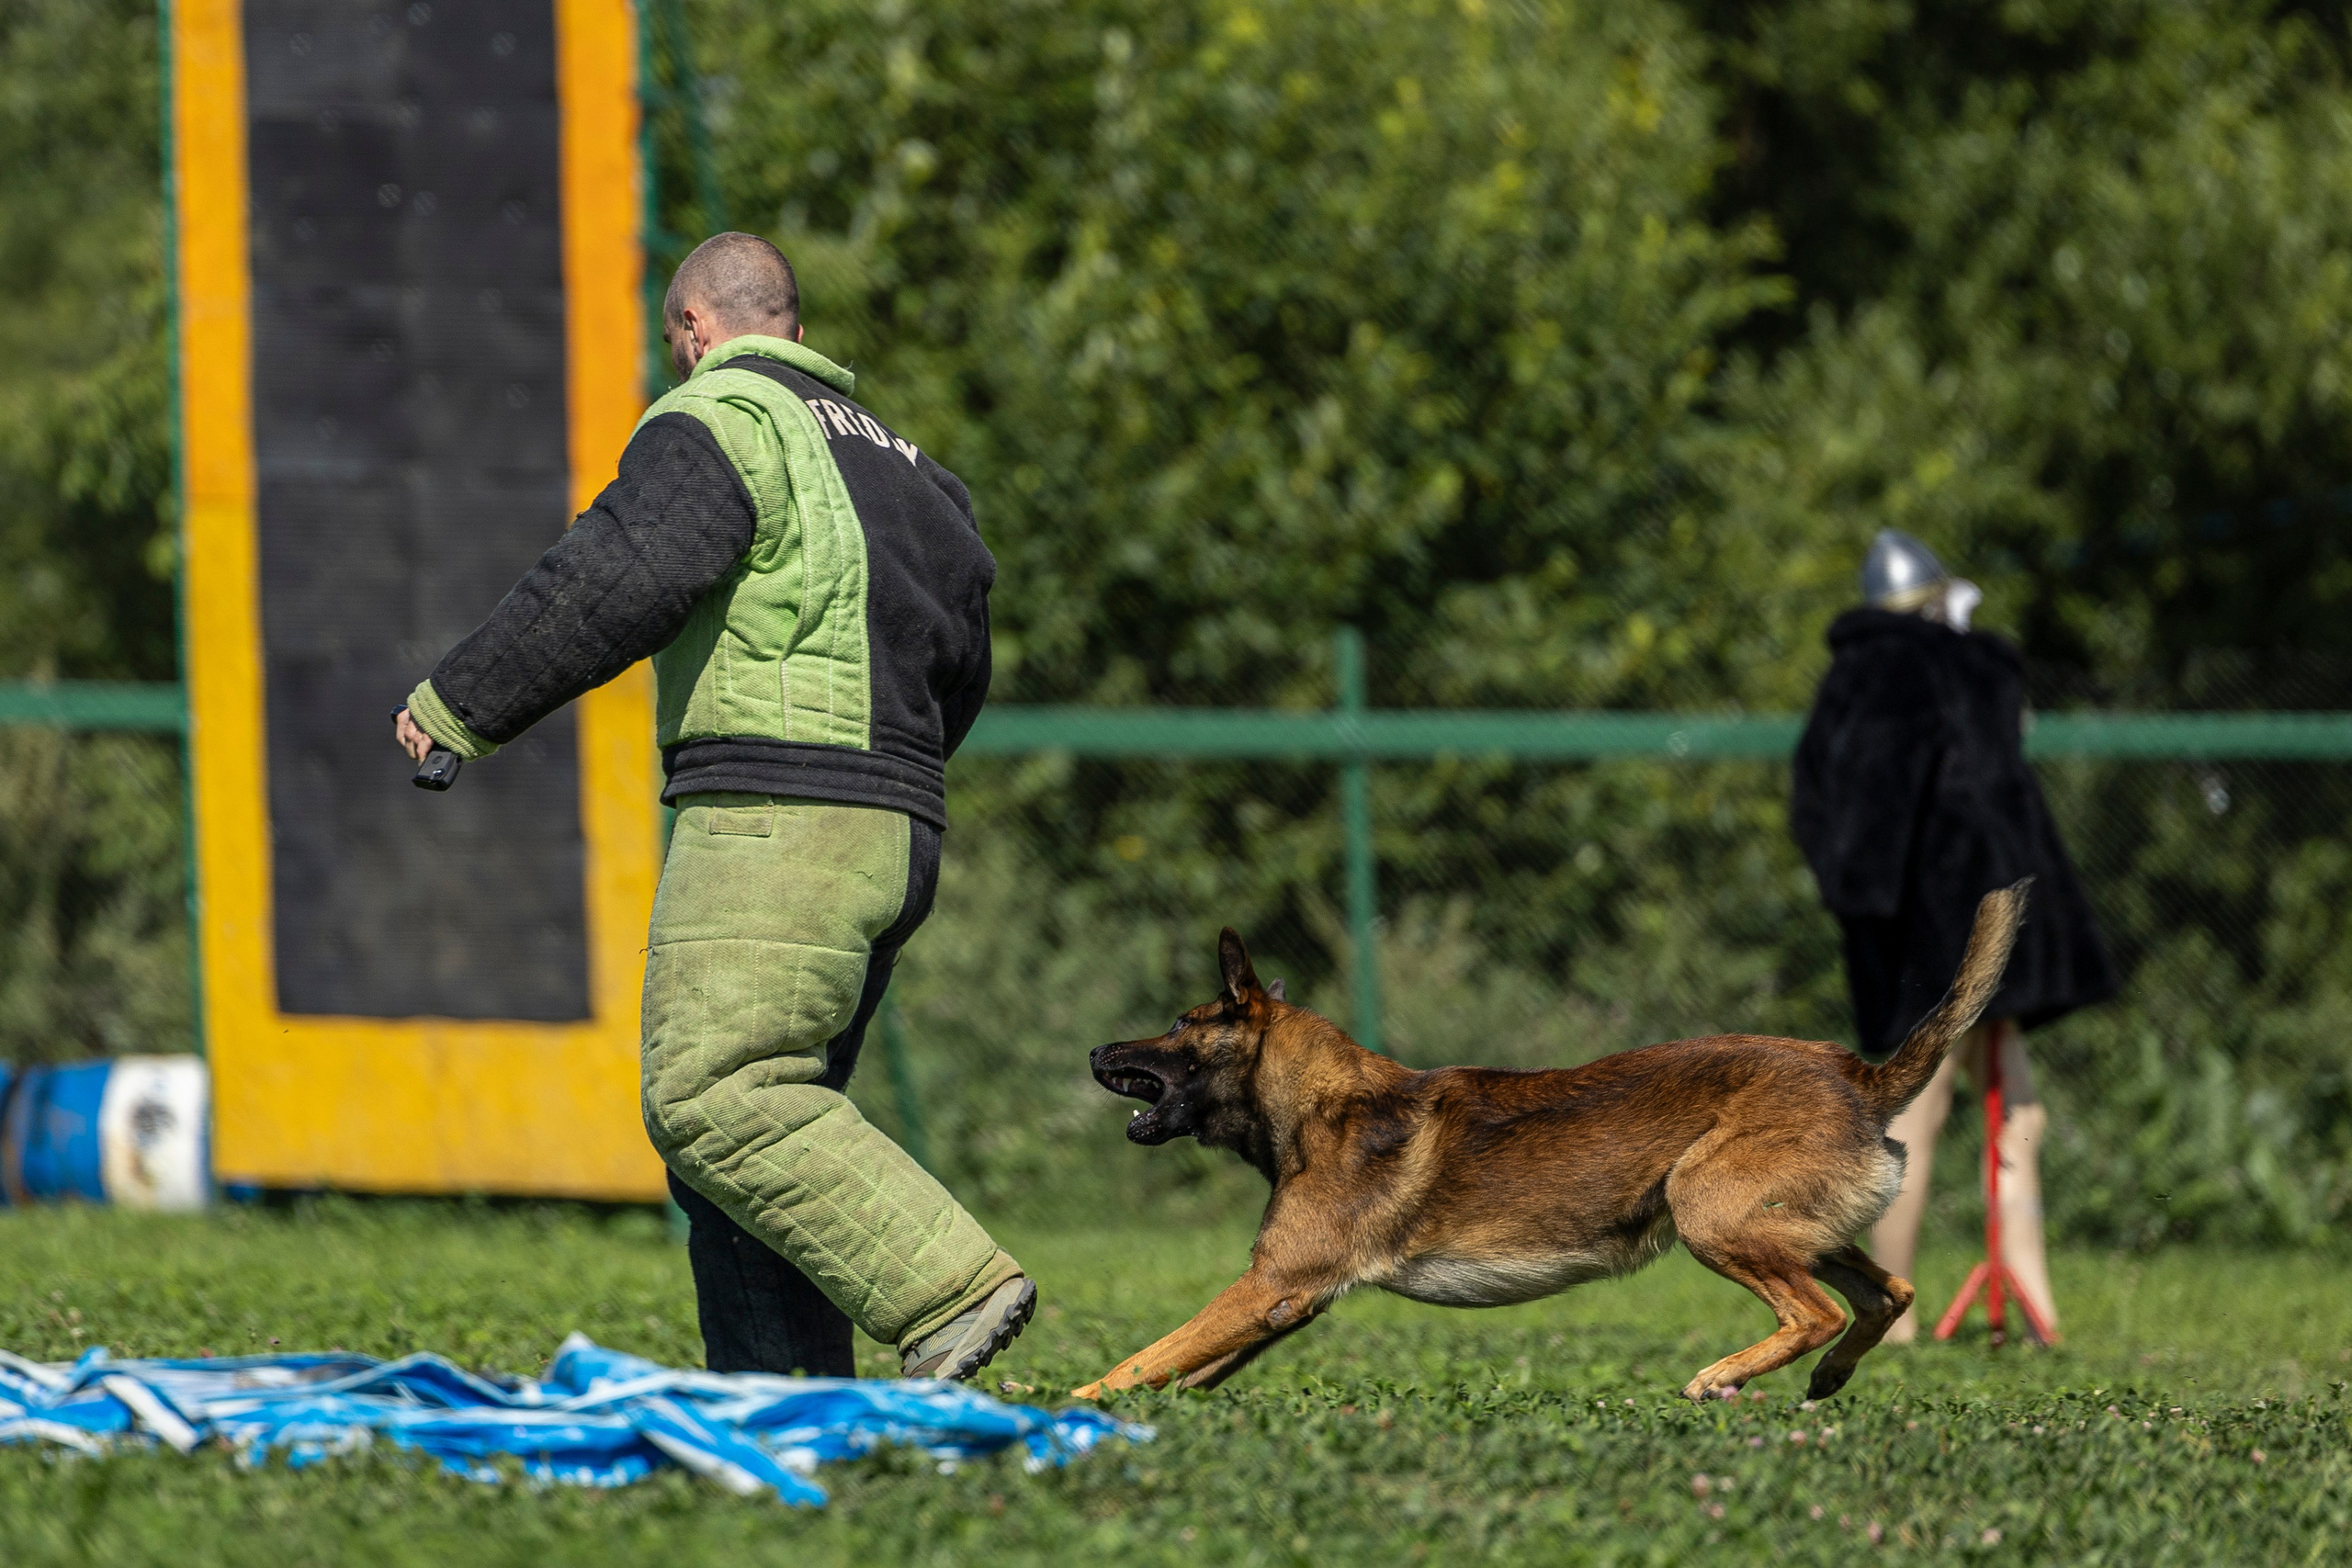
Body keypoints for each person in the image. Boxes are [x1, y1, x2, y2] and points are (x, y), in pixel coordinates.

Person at [392, 232, 1033, 1381]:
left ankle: (949, 1287)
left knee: (713, 1097)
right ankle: (782, 1395)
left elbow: (622, 571)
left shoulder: (725, 419)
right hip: (896, 826)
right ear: (793, 322)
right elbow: (966, 656)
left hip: (774, 811)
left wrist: (462, 703)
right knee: (758, 1138)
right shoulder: (912, 471)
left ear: (693, 329)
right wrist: (897, 785)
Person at [1790, 530, 2116, 1341]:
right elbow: (1885, 798)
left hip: (1928, 924)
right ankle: (1910, 1312)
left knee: (1952, 1109)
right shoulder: (1945, 666)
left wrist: (1857, 901)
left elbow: (1830, 800)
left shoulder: (1868, 671)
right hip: (1972, 916)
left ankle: (1984, 1304)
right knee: (1970, 1109)